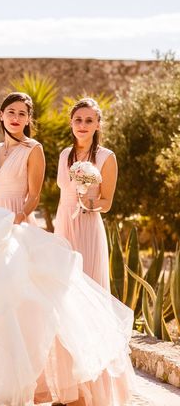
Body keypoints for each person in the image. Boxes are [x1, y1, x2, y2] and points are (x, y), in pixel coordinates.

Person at [0, 92, 134, 406]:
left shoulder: (45, 150)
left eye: (22, 113)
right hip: (16, 225)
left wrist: (85, 199)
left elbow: (38, 198)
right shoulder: (56, 154)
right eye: (10, 112)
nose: (16, 118)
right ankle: (49, 388)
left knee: (75, 304)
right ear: (0, 115)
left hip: (59, 226)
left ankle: (89, 393)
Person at [54, 98, 116, 289]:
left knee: (86, 283)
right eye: (78, 120)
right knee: (62, 284)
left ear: (98, 124)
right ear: (71, 123)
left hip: (88, 225)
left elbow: (106, 203)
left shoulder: (106, 157)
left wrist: (86, 203)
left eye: (89, 120)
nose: (82, 125)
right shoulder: (64, 154)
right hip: (63, 223)